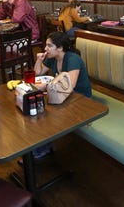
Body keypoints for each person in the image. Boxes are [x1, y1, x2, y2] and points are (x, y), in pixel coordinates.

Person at [32, 31, 92, 160]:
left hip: (81, 98)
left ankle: (43, 147)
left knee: (46, 113)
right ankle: (41, 145)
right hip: (63, 95)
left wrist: (45, 86)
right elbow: (38, 73)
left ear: (60, 48)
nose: (45, 48)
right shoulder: (52, 58)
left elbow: (71, 85)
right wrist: (39, 60)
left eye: (49, 46)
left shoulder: (72, 59)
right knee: (39, 109)